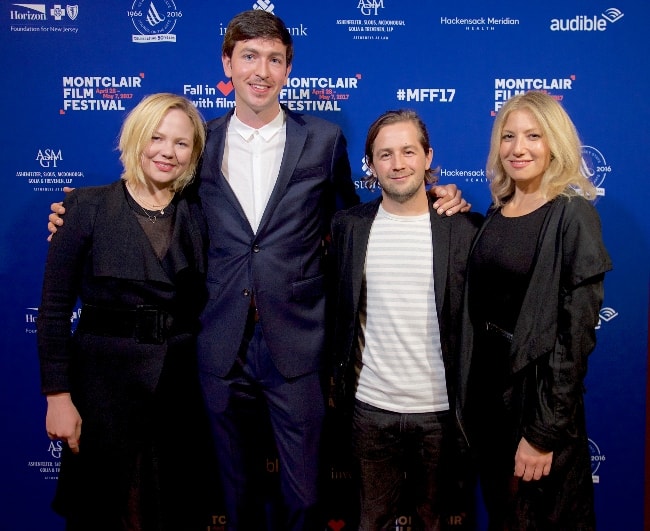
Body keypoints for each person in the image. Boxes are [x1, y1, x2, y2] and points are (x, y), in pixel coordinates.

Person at [47, 10, 468, 530]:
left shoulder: (323, 139)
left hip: (297, 346)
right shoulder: (198, 143)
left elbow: (352, 220)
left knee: (304, 498)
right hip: (216, 341)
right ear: (228, 63)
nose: (261, 70)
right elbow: (149, 200)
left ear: (288, 69)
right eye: (249, 57)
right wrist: (78, 216)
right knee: (231, 495)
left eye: (274, 59)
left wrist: (437, 196)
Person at [37, 93, 212, 531]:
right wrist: (58, 397)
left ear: (193, 154)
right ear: (136, 139)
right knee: (104, 510)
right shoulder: (84, 208)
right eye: (156, 137)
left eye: (181, 143)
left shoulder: (201, 213)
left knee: (174, 510)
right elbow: (55, 310)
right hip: (102, 393)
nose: (167, 152)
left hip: (180, 390)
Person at [456, 91, 613, 530]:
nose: (518, 148)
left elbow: (574, 336)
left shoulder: (572, 214)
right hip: (488, 400)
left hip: (535, 405)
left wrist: (543, 433)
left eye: (533, 136)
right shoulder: (498, 210)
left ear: (555, 144)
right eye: (508, 136)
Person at [329, 110, 483, 530]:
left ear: (428, 157)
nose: (397, 164)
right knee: (370, 521)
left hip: (439, 415)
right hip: (369, 410)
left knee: (433, 522)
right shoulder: (349, 227)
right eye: (385, 155)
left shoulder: (465, 228)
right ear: (371, 165)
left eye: (408, 151)